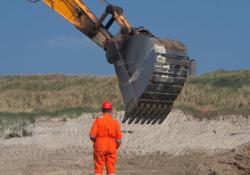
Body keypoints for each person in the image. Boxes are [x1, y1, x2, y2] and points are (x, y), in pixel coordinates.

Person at [89, 100, 122, 175]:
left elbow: (92, 136)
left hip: (100, 146)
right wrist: (115, 146)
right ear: (111, 110)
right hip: (112, 146)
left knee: (98, 167)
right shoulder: (115, 121)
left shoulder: (98, 120)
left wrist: (97, 142)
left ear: (102, 110)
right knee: (111, 168)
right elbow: (119, 139)